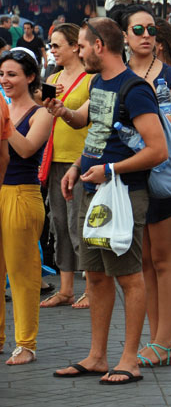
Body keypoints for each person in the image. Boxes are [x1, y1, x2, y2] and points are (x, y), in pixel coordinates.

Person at [46, 17, 167, 384]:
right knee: (96, 276)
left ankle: (129, 358)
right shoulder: (99, 82)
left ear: (99, 46)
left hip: (124, 195)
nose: (78, 52)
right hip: (92, 189)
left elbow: (158, 149)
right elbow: (94, 127)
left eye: (81, 45)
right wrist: (78, 163)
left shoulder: (135, 89)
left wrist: (111, 169)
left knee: (129, 276)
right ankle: (97, 355)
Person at [112, 6, 171, 369]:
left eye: (151, 30)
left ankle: (166, 340)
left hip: (164, 177)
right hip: (130, 177)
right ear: (125, 37)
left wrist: (149, 116)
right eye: (138, 29)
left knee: (164, 261)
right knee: (143, 261)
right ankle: (156, 339)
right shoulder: (117, 75)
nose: (146, 35)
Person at [0, 48, 52, 364]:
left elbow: (28, 147)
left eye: (12, 74)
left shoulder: (41, 112)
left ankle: (26, 344)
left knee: (22, 273)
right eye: (2, 74)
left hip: (22, 193)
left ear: (30, 77)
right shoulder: (3, 109)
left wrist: (5, 122)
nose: (5, 80)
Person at [39, 23, 93, 310]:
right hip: (55, 159)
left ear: (75, 46)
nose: (53, 50)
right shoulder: (54, 77)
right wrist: (44, 98)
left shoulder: (90, 79)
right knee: (59, 224)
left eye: (57, 45)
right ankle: (66, 288)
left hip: (81, 161)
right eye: (51, 45)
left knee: (79, 225)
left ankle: (92, 287)